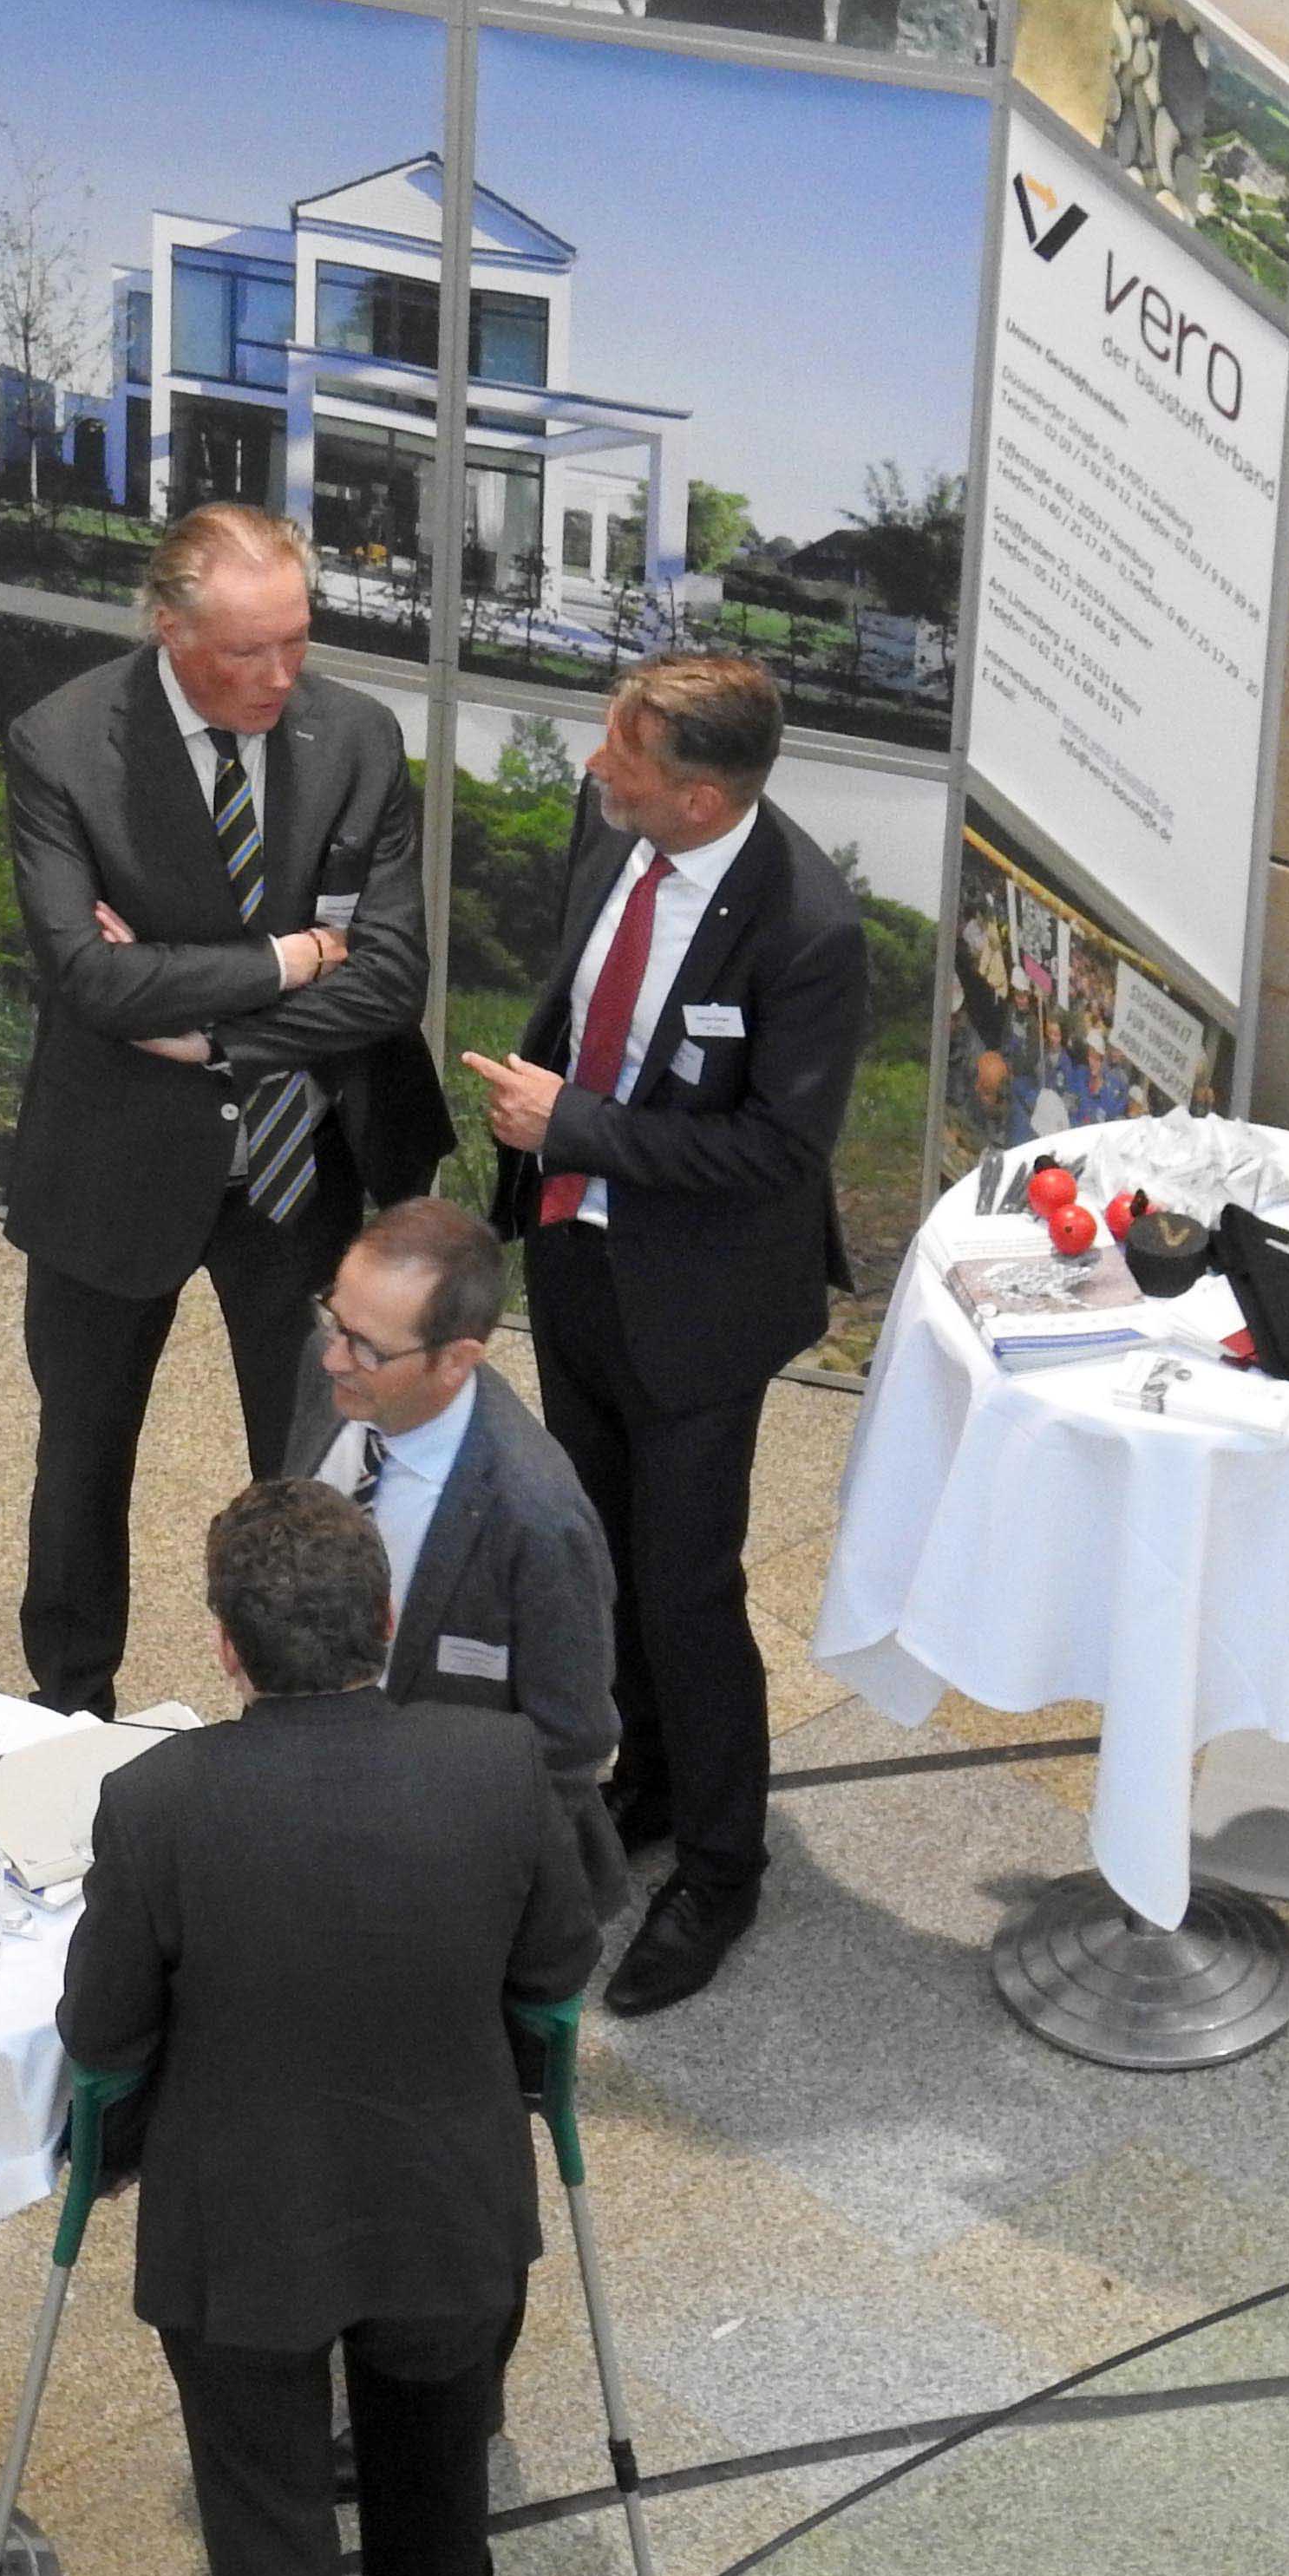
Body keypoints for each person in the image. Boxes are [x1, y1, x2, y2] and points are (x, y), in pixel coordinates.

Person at [61, 1481, 598, 2576]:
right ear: (388, 1614)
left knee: (266, 2514)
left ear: (225, 1647)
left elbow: (104, 2039)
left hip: (241, 2223)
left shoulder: (155, 1803)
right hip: (447, 2205)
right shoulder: (500, 1766)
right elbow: (556, 1971)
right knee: (437, 2470)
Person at [462, 655, 870, 2017]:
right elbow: (585, 1004)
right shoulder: (618, 827)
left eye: (622, 761)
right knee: (599, 1548)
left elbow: (776, 1150)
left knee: (689, 1586)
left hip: (699, 1308)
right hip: (576, 1264)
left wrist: (571, 1128)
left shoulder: (807, 928)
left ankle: (722, 1866)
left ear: (700, 796)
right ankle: (646, 1782)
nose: (592, 770)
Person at [3, 503, 447, 1716]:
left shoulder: (357, 738)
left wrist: (206, 1028)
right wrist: (299, 959)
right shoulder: (63, 743)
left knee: (308, 1469)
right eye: (245, 651)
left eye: (295, 641)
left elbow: (396, 978)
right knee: (82, 1459)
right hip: (112, 1165)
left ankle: (309, 1714)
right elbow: (89, 981)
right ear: (167, 628)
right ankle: (69, 1704)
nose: (278, 676)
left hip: (301, 1169)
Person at [281, 1199, 628, 1919]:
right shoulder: (338, 1378)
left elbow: (569, 1743)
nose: (332, 1357)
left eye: (367, 1346)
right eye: (332, 1320)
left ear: (458, 1359)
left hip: (450, 1871)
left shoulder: (536, 1520)